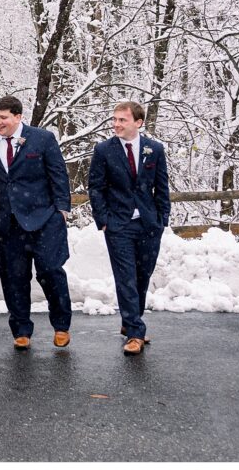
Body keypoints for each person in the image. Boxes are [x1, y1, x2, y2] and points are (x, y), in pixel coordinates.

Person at [0, 96, 72, 350]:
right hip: (7, 225)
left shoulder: (42, 139)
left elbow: (58, 175)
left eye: (3, 117)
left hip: (44, 221)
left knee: (51, 272)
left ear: (18, 117)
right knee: (14, 278)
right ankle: (21, 330)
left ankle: (62, 325)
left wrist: (61, 211)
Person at [87, 101, 170, 355]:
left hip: (148, 224)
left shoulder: (153, 149)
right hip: (118, 225)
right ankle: (135, 332)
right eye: (114, 119)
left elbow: (162, 187)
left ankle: (130, 320)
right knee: (126, 278)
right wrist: (103, 220)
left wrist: (161, 219)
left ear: (138, 122)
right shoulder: (103, 150)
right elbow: (96, 187)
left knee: (142, 276)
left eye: (122, 120)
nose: (116, 124)